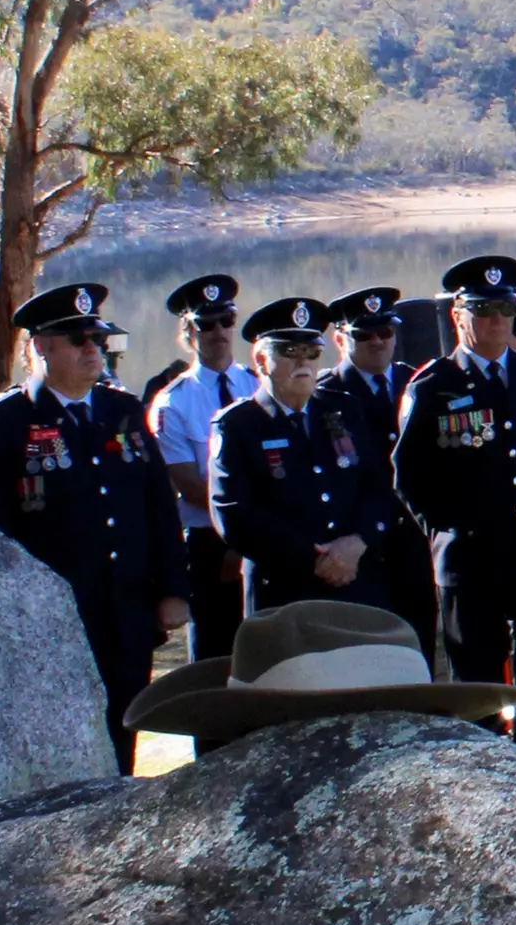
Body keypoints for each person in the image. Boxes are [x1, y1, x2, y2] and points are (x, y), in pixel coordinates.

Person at [0, 282, 190, 763]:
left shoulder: (122, 411)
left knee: (124, 735)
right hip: (53, 617)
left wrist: (173, 589)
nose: (92, 349)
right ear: (41, 346)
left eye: (98, 339)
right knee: (63, 745)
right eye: (78, 339)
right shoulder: (7, 422)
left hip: (127, 610)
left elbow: (159, 506)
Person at [391, 255, 516, 700]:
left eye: (505, 309)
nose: (497, 320)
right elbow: (410, 477)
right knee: (477, 689)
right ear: (458, 316)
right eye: (483, 310)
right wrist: (449, 531)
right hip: (472, 562)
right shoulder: (433, 387)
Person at [211, 295, 397, 622]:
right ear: (261, 360)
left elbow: (377, 485)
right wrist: (318, 558)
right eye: (290, 352)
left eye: (311, 352)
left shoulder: (343, 410)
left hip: (356, 584)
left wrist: (359, 540)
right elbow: (234, 514)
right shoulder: (238, 425)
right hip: (284, 592)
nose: (303, 362)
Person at [145, 275, 257, 667]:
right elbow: (192, 487)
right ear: (189, 333)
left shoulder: (259, 385)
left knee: (271, 656)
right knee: (215, 661)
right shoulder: (172, 402)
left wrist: (249, 539)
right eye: (206, 324)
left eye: (226, 320)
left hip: (264, 538)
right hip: (210, 544)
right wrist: (236, 537)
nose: (219, 332)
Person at [322, 286, 436, 645]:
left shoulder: (417, 383)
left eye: (385, 331)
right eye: (364, 335)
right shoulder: (326, 396)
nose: (377, 342)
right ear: (340, 339)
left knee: (418, 651)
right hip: (362, 550)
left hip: (414, 544)